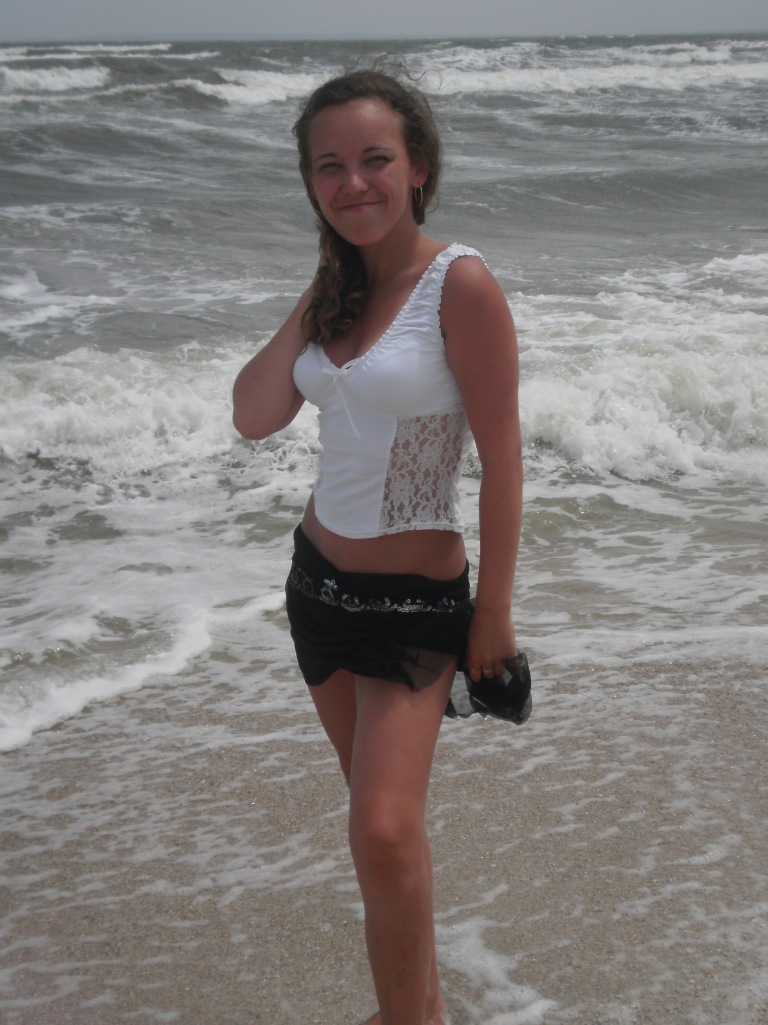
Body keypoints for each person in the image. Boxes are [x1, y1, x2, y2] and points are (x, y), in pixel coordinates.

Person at [233, 65, 522, 1025]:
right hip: (318, 592)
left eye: (374, 160)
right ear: (310, 183)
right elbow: (253, 415)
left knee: (385, 831)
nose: (352, 182)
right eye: (329, 167)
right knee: (378, 832)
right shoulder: (337, 292)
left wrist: (494, 615)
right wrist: (324, 283)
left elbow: (504, 459)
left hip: (414, 609)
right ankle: (420, 1004)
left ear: (419, 168)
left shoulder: (459, 284)